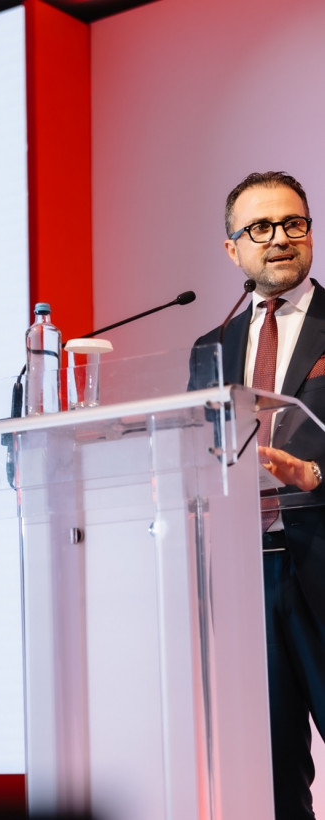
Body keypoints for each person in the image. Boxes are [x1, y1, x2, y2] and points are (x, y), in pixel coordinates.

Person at [193, 171, 325, 819]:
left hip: (322, 557)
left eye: (293, 223)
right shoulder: (212, 347)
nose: (280, 238)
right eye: (260, 228)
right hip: (247, 578)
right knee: (273, 775)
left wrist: (316, 475)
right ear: (232, 249)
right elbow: (199, 453)